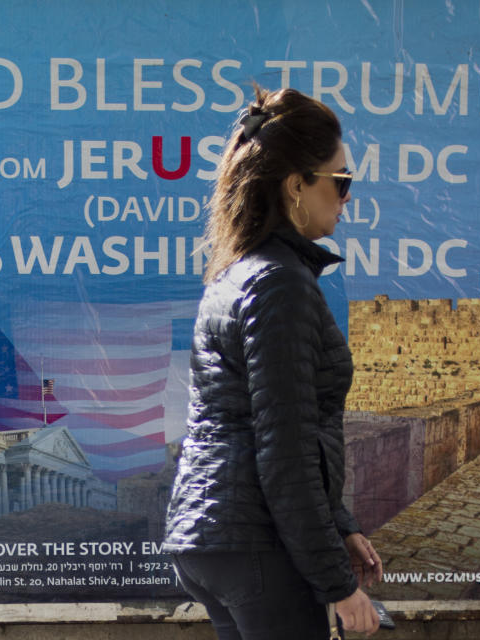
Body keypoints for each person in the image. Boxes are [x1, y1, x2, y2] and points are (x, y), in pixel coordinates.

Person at [161, 86, 383, 639]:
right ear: (295, 186)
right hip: (256, 541)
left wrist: (342, 528)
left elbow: (280, 430)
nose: (347, 197)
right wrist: (338, 584)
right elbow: (284, 452)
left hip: (216, 537)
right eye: (340, 181)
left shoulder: (236, 275)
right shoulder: (278, 284)